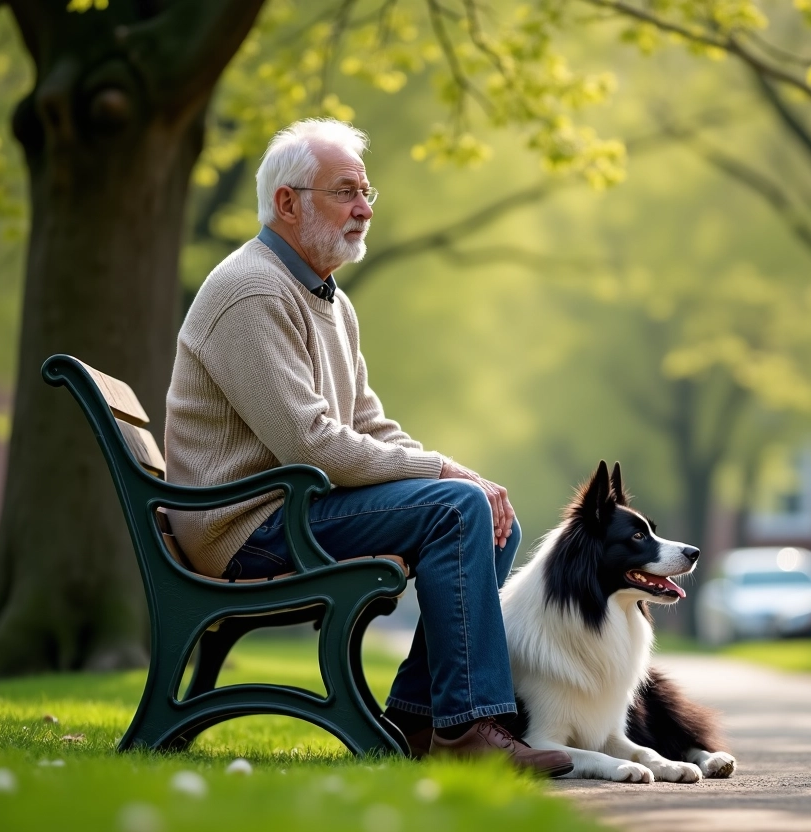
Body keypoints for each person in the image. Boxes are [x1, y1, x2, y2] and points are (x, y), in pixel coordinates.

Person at [163, 118, 571, 776]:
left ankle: (416, 722)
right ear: (287, 203)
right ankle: (468, 728)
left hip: (288, 509)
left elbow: (368, 424)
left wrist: (458, 473)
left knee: (490, 518)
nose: (363, 209)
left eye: (366, 192)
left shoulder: (327, 300)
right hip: (246, 526)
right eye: (345, 191)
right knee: (457, 509)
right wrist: (443, 475)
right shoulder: (252, 291)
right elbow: (311, 441)